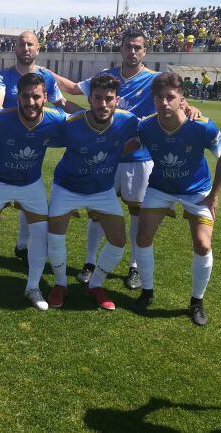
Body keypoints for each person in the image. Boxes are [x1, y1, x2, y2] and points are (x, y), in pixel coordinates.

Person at [131, 72, 221, 326]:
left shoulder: (201, 126)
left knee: (203, 245)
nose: (164, 102)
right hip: (160, 188)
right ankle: (147, 292)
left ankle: (197, 301)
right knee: (142, 238)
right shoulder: (146, 127)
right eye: (159, 97)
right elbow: (127, 142)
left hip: (196, 191)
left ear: (181, 99)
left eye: (170, 97)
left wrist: (214, 195)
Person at [41, 74, 139, 310]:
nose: (103, 104)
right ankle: (61, 284)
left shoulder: (128, 121)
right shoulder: (71, 124)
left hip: (102, 190)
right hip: (67, 186)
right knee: (55, 237)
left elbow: (149, 133)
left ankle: (95, 285)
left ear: (117, 100)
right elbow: (39, 136)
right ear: (89, 99)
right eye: (97, 98)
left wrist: (188, 108)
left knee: (118, 242)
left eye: (109, 99)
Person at [0, 72, 67, 311]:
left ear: (45, 97)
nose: (30, 102)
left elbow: (84, 122)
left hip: (30, 183)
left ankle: (33, 287)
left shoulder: (56, 118)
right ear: (17, 97)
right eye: (25, 96)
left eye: (36, 96)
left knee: (40, 233)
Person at [0, 31, 78, 267]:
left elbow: (61, 103)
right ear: (15, 49)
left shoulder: (46, 77)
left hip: (33, 145)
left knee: (28, 193)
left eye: (30, 44)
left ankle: (22, 245)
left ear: (38, 49)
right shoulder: (3, 76)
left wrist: (87, 115)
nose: (26, 47)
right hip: (5, 145)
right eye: (21, 44)